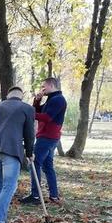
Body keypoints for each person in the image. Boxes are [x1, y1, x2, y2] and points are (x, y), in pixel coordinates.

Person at [0, 86, 35, 223]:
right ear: (22, 96)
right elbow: (29, 134)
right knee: (9, 186)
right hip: (11, 150)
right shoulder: (27, 108)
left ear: (8, 95)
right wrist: (29, 152)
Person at [20, 77, 66, 205]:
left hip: (47, 137)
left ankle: (35, 196)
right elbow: (38, 111)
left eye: (43, 86)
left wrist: (28, 113)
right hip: (49, 137)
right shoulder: (52, 99)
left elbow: (46, 117)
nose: (42, 89)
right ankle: (53, 195)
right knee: (47, 166)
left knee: (34, 164)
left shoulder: (58, 100)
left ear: (51, 85)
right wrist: (37, 100)